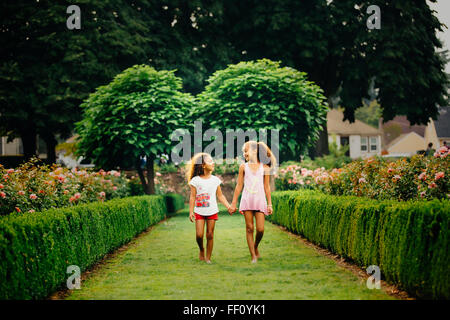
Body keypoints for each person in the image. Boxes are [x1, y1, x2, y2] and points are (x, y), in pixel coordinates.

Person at [229, 141, 277, 263]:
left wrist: (269, 204)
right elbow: (239, 186)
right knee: (250, 228)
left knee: (260, 229)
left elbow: (267, 187)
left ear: (255, 151)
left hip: (260, 200)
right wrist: (233, 203)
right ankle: (253, 256)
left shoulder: (265, 168)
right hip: (247, 200)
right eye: (243, 152)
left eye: (246, 151)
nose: (244, 153)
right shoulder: (243, 167)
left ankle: (255, 246)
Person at [186, 153, 232, 264]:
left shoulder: (215, 180)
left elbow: (220, 196)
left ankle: (208, 258)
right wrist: (191, 211)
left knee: (210, 234)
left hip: (212, 211)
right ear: (203, 165)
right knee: (199, 235)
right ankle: (201, 249)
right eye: (210, 161)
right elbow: (192, 197)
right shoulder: (195, 180)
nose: (213, 163)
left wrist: (228, 206)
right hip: (199, 211)